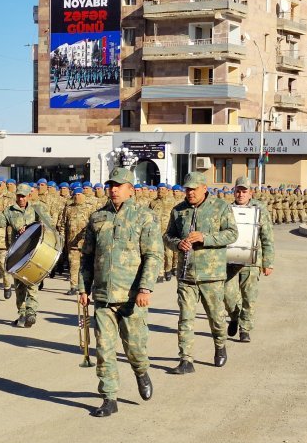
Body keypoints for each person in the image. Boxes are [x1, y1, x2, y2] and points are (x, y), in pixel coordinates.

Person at [79, 167, 162, 418]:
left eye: (118, 185)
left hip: (132, 296)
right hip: (103, 296)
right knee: (104, 350)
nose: (113, 189)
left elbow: (153, 255)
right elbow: (87, 257)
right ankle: (109, 396)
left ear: (130, 189)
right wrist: (84, 287)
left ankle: (141, 370)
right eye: (110, 185)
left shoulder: (144, 218)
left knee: (135, 348)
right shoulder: (97, 218)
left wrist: (145, 287)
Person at [165, 171, 238, 374]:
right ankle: (186, 359)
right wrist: (178, 243)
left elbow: (232, 234)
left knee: (215, 316)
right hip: (186, 274)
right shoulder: (178, 210)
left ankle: (220, 346)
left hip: (211, 274)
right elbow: (167, 236)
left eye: (193, 189)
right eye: (187, 189)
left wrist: (205, 238)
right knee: (185, 317)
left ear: (204, 188)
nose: (189, 193)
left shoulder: (220, 207)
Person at [223, 177, 275, 345]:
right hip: (229, 260)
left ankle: (245, 329)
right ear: (234, 191)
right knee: (227, 295)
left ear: (250, 192)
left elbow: (267, 237)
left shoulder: (259, 210)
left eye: (244, 191)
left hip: (252, 260)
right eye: (238, 190)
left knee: (249, 296)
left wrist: (268, 262)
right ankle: (234, 317)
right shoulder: (227, 209)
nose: (240, 194)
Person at [2, 183, 53, 328]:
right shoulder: (10, 211)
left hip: (34, 251)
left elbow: (49, 225)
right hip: (18, 253)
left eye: (23, 196)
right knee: (19, 286)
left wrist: (33, 227)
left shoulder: (37, 208)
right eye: (18, 196)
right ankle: (22, 313)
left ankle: (31, 312)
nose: (21, 199)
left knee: (32, 282)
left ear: (29, 196)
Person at [57, 185, 93, 294]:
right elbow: (63, 224)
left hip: (85, 243)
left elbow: (93, 224)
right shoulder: (68, 208)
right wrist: (62, 237)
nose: (77, 196)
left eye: (79, 194)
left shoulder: (89, 208)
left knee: (86, 265)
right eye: (75, 195)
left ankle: (86, 286)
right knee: (73, 264)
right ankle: (73, 286)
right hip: (71, 242)